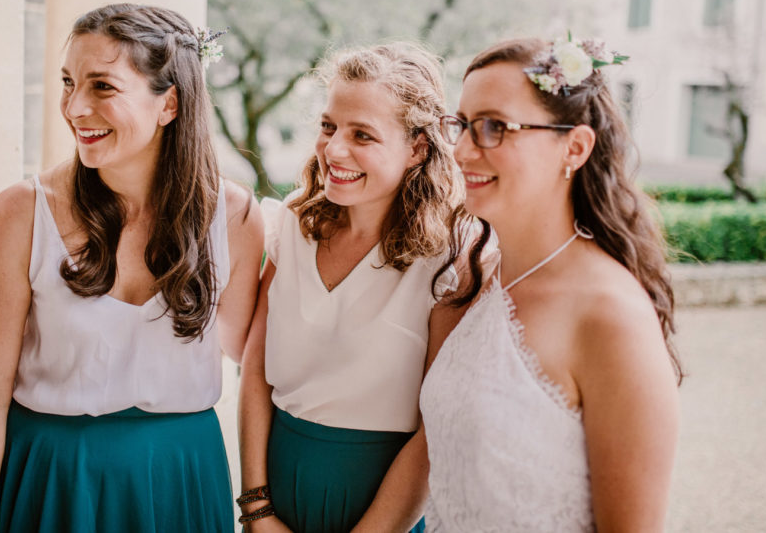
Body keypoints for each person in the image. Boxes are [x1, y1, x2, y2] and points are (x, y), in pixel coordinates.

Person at [0, 3, 264, 533]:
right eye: (68, 82)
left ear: (169, 103)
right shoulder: (21, 213)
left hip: (182, 479)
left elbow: (253, 355)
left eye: (102, 86)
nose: (75, 106)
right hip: (54, 479)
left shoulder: (234, 216)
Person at [420, 37, 681, 532]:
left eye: (494, 127)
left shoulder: (609, 314)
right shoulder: (470, 281)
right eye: (462, 125)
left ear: (575, 147)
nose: (460, 150)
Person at [236, 43, 464, 532]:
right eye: (328, 127)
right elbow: (255, 370)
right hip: (276, 496)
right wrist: (256, 509)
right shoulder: (292, 227)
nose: (334, 149)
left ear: (418, 148)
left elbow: (435, 431)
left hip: (385, 510)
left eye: (363, 135)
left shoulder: (446, 261)